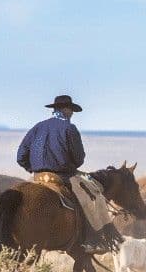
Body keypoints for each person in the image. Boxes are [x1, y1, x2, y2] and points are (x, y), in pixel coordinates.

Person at [17, 94, 121, 254]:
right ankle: (92, 241)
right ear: (64, 109)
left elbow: (21, 156)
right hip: (62, 177)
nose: (71, 113)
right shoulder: (69, 128)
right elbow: (79, 158)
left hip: (37, 177)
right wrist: (68, 165)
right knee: (91, 199)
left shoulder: (37, 127)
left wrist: (34, 168)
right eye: (70, 109)